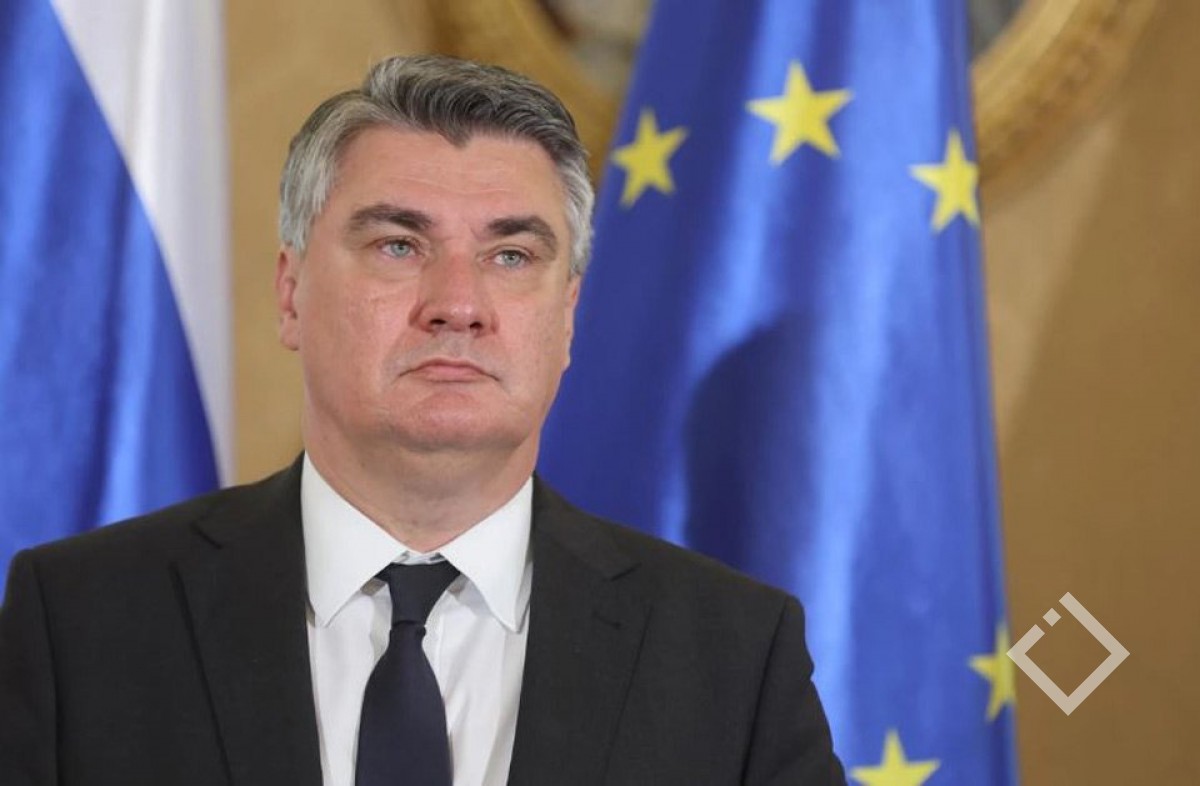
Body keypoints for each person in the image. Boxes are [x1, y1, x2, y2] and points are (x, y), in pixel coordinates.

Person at [0, 55, 844, 786]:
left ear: (568, 318)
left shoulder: (734, 655)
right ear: (291, 294)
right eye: (399, 245)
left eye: (511, 255)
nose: (458, 304)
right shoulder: (81, 622)